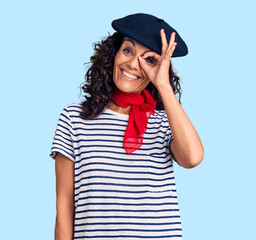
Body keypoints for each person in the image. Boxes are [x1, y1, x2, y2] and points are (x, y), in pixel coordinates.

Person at [49, 13, 204, 240]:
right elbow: (64, 206)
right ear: (113, 53)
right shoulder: (74, 118)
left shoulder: (165, 121)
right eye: (128, 50)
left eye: (149, 60)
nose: (132, 64)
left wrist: (162, 84)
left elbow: (192, 158)